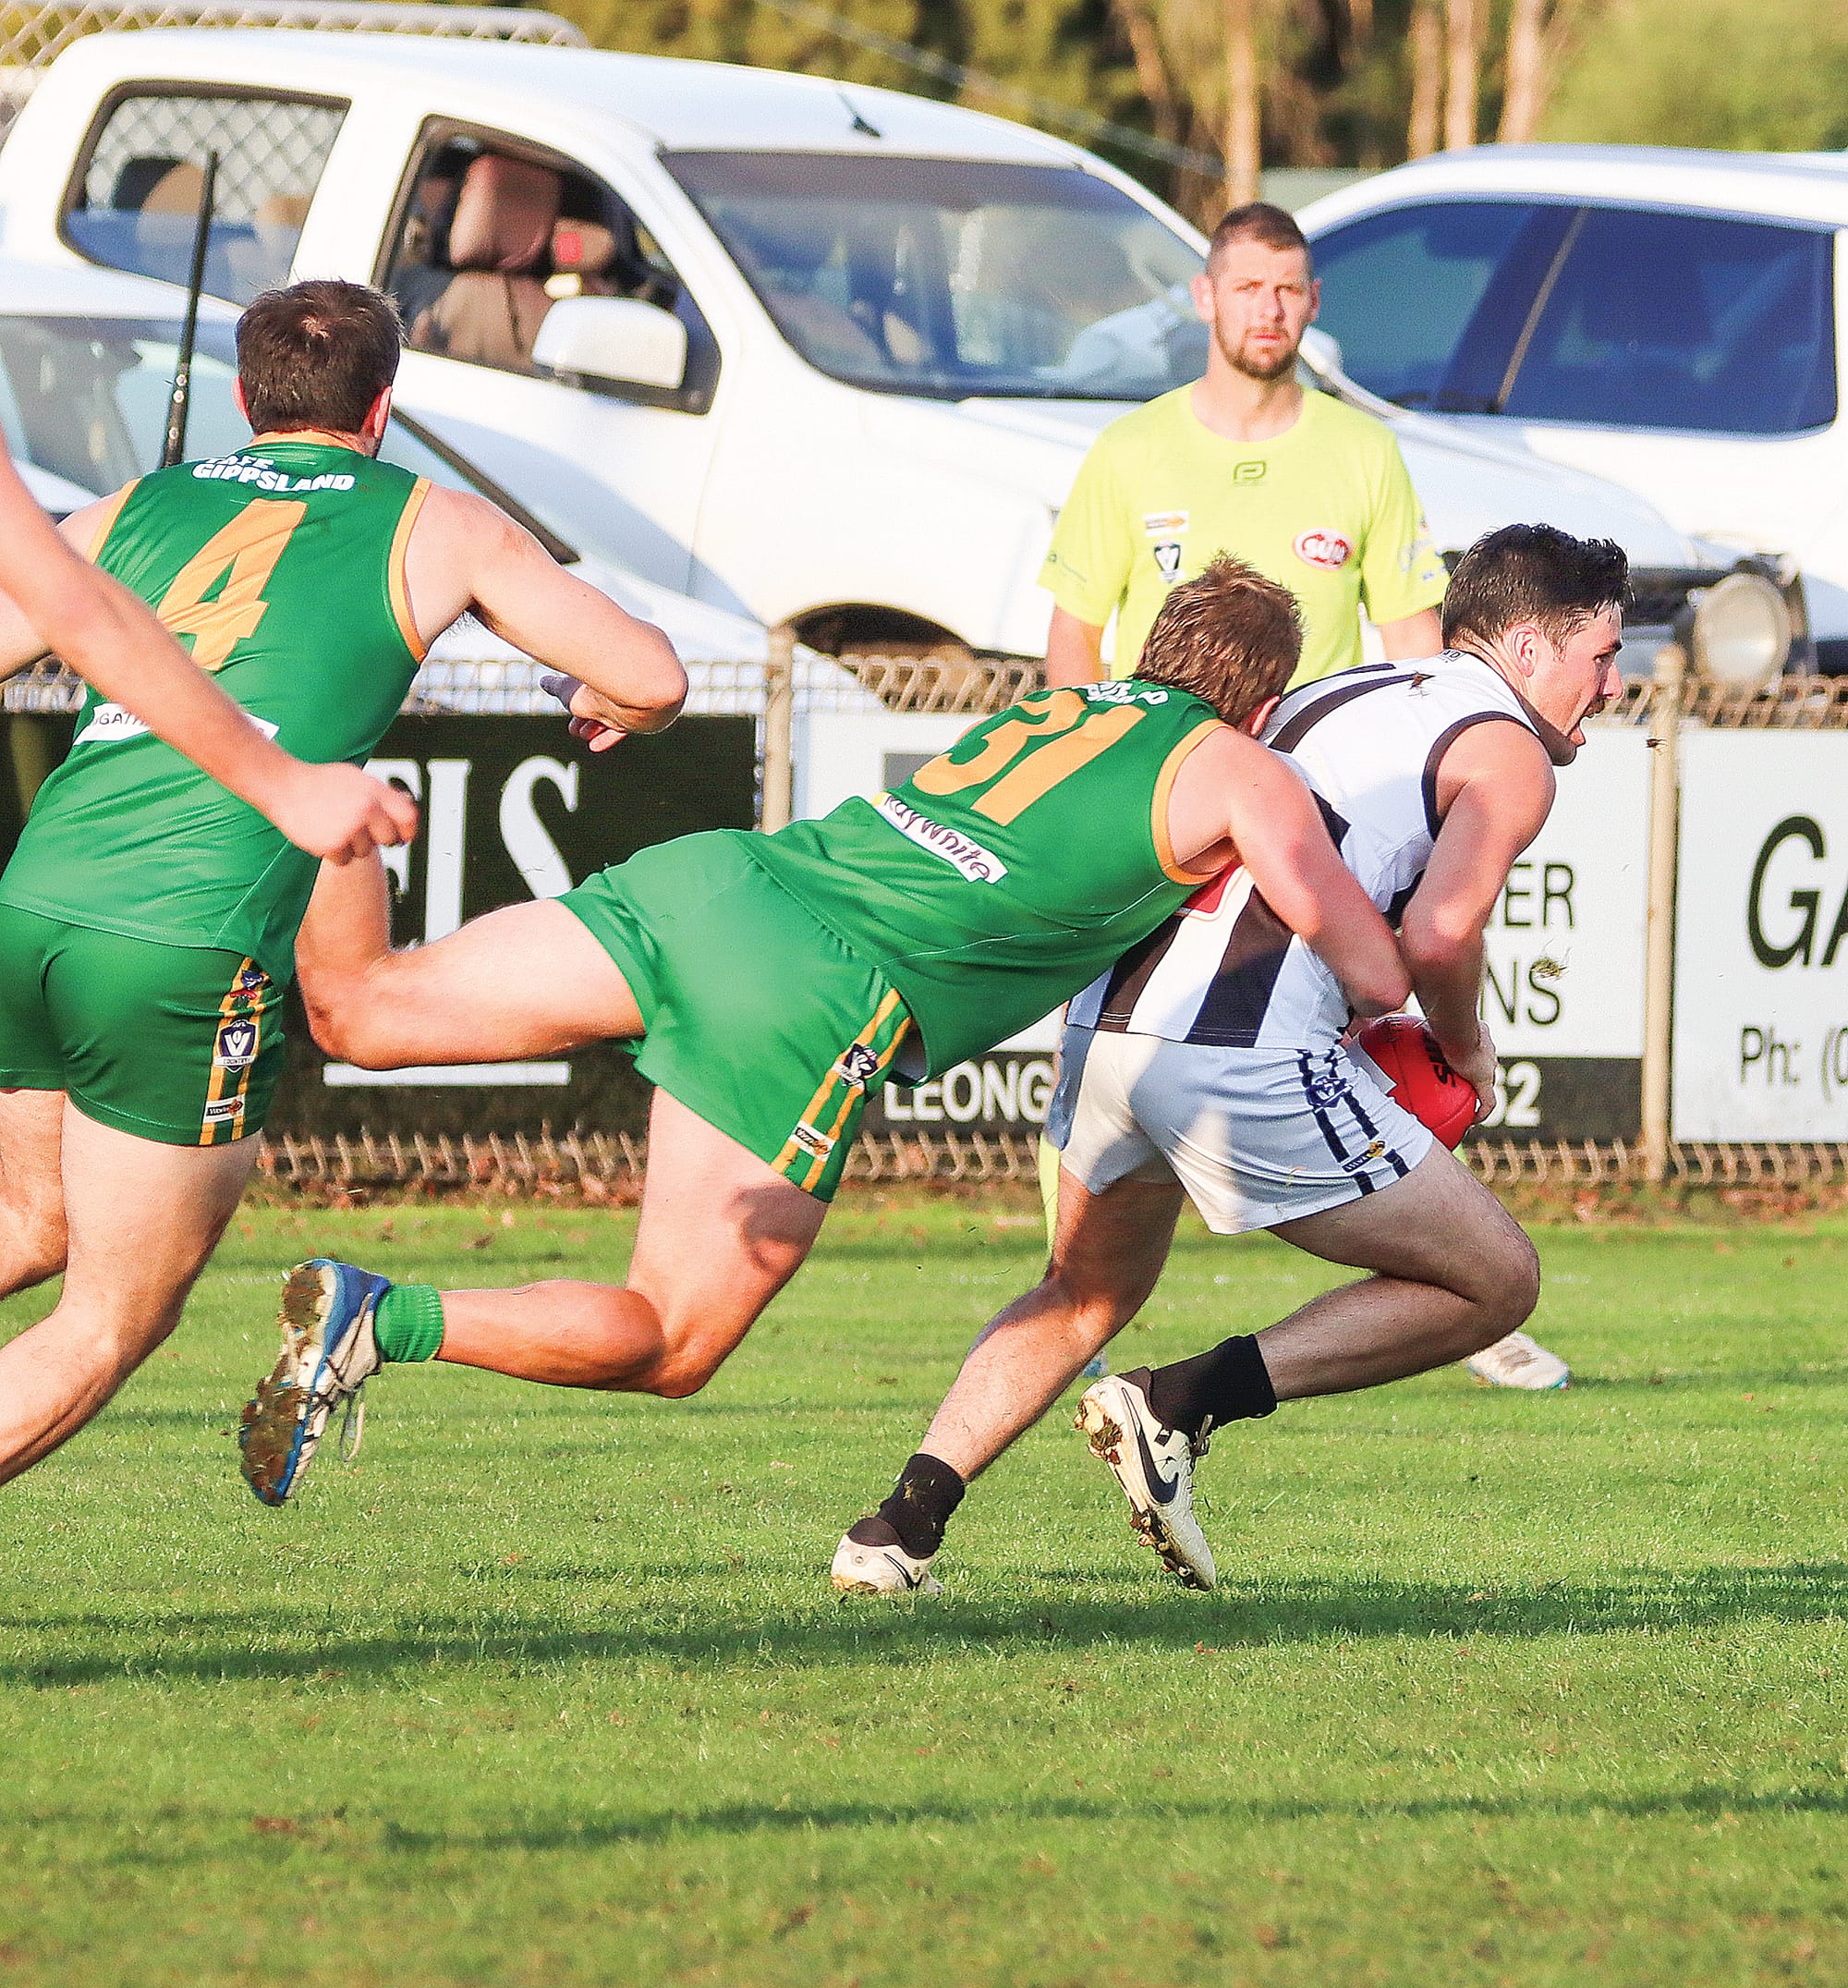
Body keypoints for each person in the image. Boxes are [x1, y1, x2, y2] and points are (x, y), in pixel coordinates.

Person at [235, 558, 1411, 1509]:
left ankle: (315, 745)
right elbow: (1365, 964)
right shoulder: (1241, 765)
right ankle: (381, 1319)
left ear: (1153, 649)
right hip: (810, 992)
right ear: (1263, 703)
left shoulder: (1060, 704)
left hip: (721, 879)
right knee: (670, 1342)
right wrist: (1414, 1011)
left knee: (362, 1011)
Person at [832, 524, 1624, 1597]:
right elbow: (1438, 935)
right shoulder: (1509, 750)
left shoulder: (1340, 688)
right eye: (1602, 656)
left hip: (1104, 1031)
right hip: (1238, 1052)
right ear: (1527, 648)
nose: (1610, 687)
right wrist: (1464, 1041)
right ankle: (1179, 1403)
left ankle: (895, 1529)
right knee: (1496, 1282)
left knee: (1079, 1293)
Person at [0, 277, 684, 1493]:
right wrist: (604, 697)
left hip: (36, 899)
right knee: (110, 1318)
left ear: (244, 396)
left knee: (31, 1223)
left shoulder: (148, 502)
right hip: (185, 939)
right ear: (382, 406)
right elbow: (651, 674)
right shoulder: (440, 523)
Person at [1037, 200, 1561, 1393]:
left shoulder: (1359, 452)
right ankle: (1079, 1314)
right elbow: (1072, 647)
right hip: (1163, 818)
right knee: (1110, 1054)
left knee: (1384, 1028)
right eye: (1248, 287)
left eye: (1289, 288)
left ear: (1314, 302)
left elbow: (1421, 647)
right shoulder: (1132, 454)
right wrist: (1094, 793)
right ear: (1204, 299)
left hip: (1318, 826)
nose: (1269, 309)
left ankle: (1460, 1285)